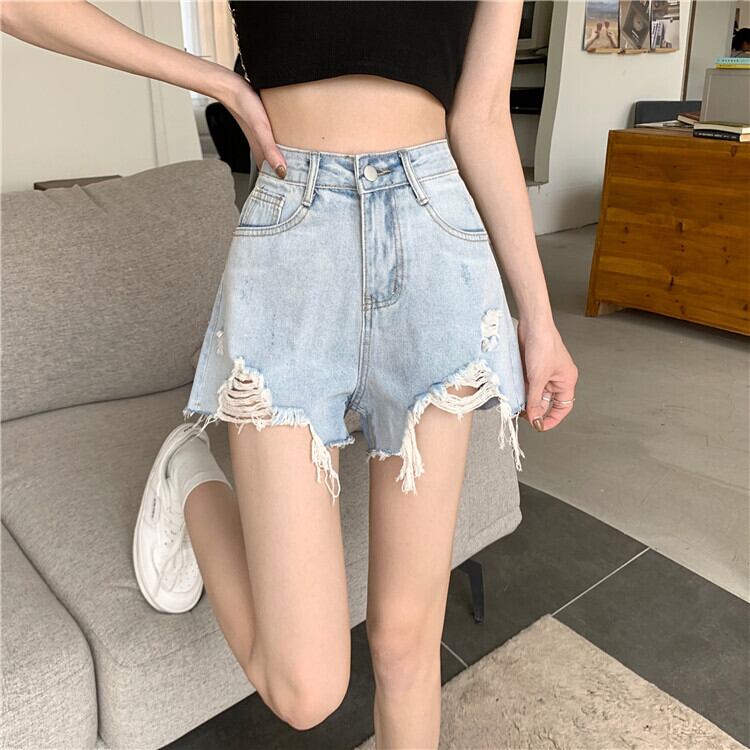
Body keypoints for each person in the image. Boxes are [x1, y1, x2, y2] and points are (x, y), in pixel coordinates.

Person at [1, 1, 578, 745]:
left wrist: (539, 320)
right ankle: (188, 477)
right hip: (292, 239)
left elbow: (483, 116)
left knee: (406, 647)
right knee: (305, 689)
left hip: (438, 245)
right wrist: (218, 82)